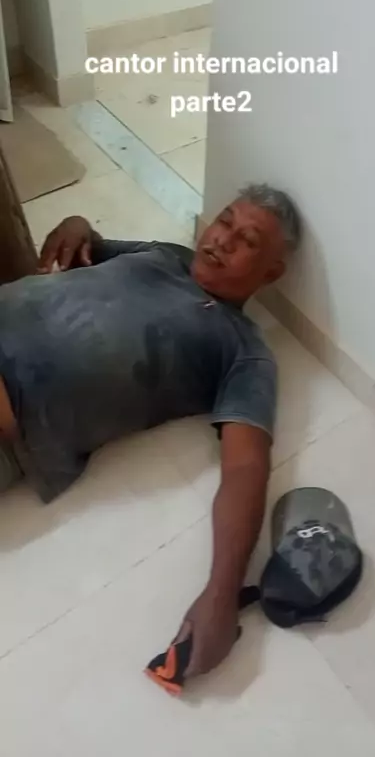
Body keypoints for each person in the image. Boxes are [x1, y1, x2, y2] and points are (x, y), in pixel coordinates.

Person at [0, 183, 301, 677]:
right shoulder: (168, 254)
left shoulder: (243, 352)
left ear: (271, 272)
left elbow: (246, 467)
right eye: (225, 221)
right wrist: (78, 224)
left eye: (246, 240)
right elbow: (94, 245)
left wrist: (221, 594)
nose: (222, 239)